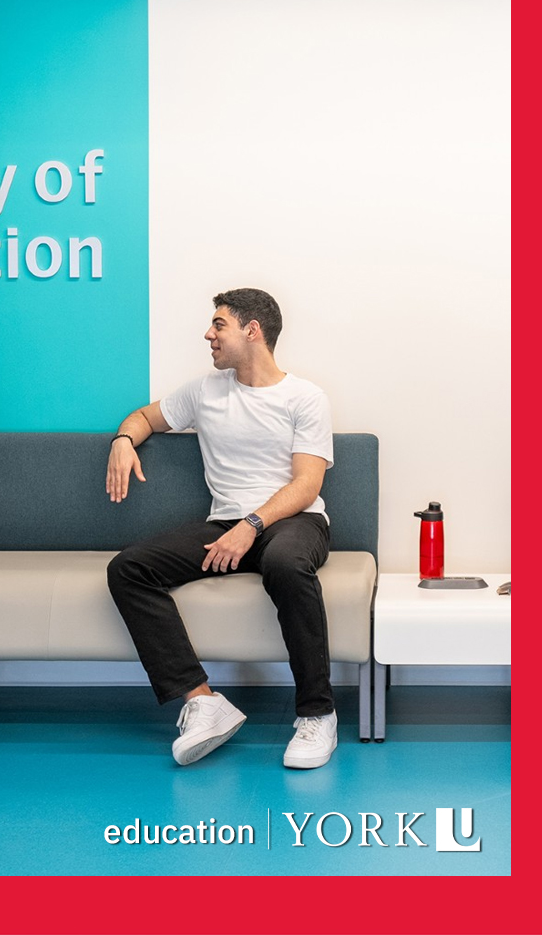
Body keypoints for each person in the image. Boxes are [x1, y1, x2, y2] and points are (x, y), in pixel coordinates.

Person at [105, 288, 337, 769]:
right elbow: (147, 416)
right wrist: (124, 439)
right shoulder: (205, 390)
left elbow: (307, 482)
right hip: (225, 523)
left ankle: (318, 714)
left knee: (286, 563)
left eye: (219, 325)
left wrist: (252, 524)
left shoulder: (305, 397)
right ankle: (203, 701)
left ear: (252, 331)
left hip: (294, 521)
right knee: (129, 568)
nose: (208, 334)